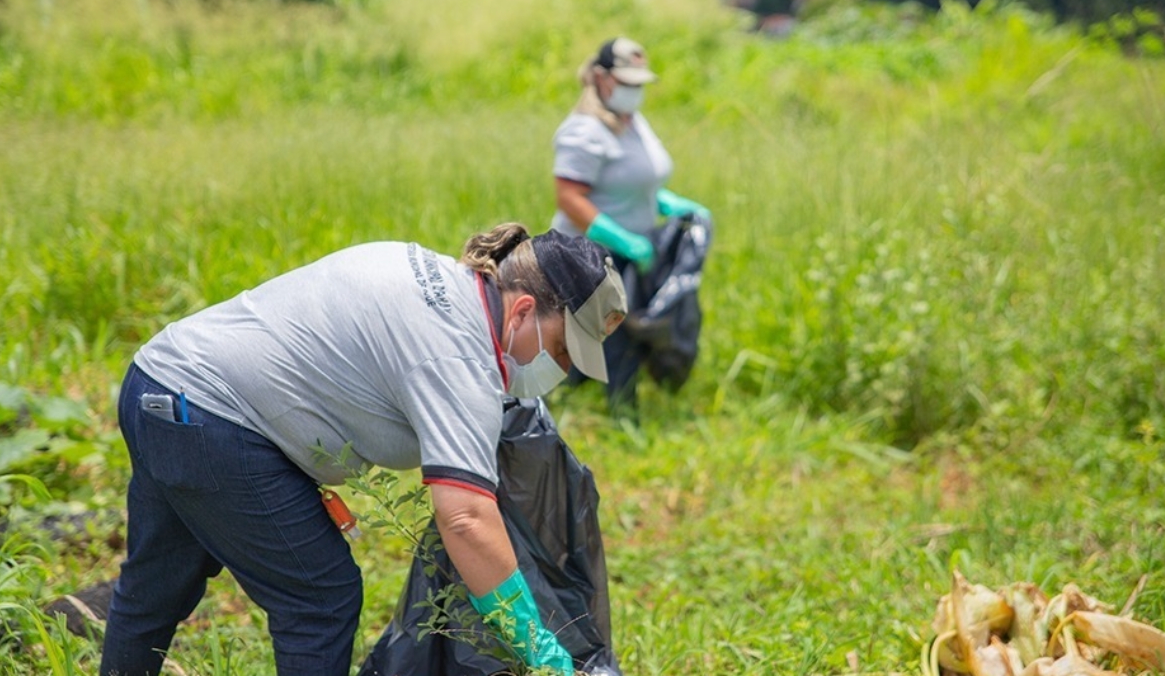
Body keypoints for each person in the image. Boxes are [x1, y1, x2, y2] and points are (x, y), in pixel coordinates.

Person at [100, 224, 628, 676]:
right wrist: (538, 648)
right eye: (561, 348)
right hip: (210, 418)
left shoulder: (440, 281)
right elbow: (465, 517)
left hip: (158, 380)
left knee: (155, 587)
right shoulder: (457, 359)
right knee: (320, 598)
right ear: (523, 311)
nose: (560, 368)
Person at [550, 36, 710, 411]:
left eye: (639, 84)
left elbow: (641, 177)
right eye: (626, 83)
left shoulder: (632, 122)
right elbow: (569, 197)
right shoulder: (584, 131)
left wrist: (667, 203)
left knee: (621, 333)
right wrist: (621, 239)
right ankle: (620, 417)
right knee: (612, 336)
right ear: (602, 78)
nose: (634, 91)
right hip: (591, 252)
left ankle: (586, 401)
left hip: (634, 246)